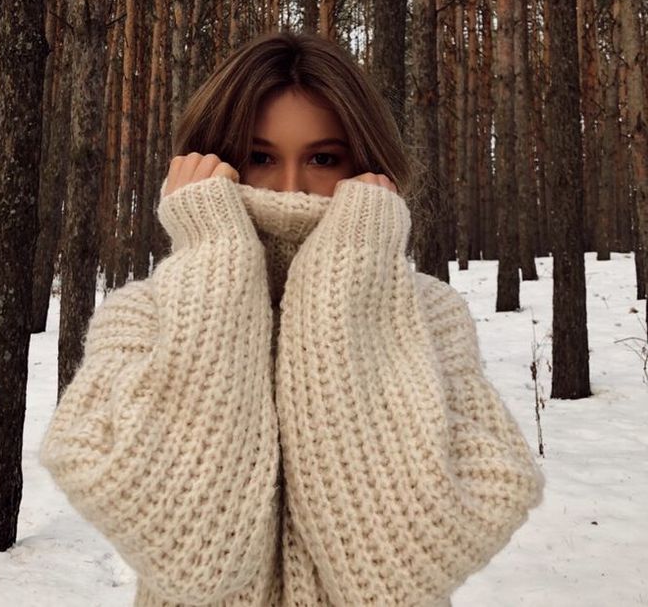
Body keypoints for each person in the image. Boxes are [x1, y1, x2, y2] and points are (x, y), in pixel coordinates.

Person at [40, 30, 545, 607]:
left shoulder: (429, 316)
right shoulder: (143, 316)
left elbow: (394, 575)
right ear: (215, 164)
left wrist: (342, 289)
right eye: (259, 158)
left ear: (365, 165)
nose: (290, 186)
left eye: (323, 159)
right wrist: (214, 264)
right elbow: (194, 555)